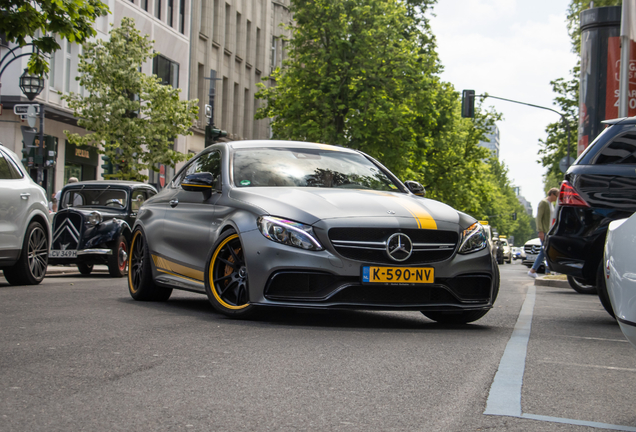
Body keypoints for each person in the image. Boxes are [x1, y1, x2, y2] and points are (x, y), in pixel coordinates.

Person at [528, 187, 559, 278]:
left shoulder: (551, 204)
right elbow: (539, 218)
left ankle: (547, 271)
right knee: (544, 250)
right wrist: (540, 231)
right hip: (544, 231)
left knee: (546, 251)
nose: (556, 198)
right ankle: (533, 270)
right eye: (556, 196)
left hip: (549, 231)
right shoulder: (544, 203)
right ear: (552, 194)